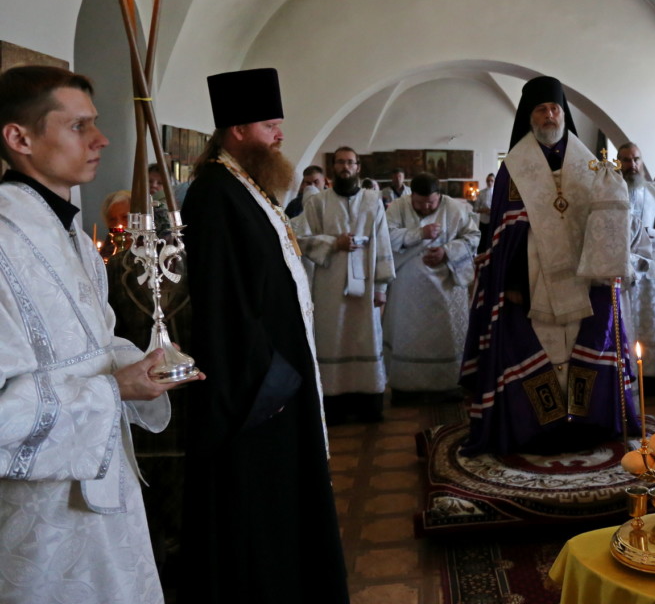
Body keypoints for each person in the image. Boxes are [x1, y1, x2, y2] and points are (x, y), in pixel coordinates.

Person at [0, 65, 195, 603]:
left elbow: (96, 346)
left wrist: (149, 363)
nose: (101, 140)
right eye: (79, 126)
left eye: (97, 124)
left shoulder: (73, 236)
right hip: (38, 520)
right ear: (19, 138)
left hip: (106, 490)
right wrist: (115, 390)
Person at [181, 68, 348, 603]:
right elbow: (224, 302)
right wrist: (267, 380)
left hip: (281, 373)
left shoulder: (246, 184)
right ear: (236, 130)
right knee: (261, 506)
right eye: (269, 125)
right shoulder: (214, 192)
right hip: (258, 390)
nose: (279, 135)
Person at [460, 76, 637, 455]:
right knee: (537, 350)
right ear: (530, 116)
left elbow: (608, 219)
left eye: (555, 107)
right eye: (541, 109)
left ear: (563, 113)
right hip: (530, 279)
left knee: (581, 350)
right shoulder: (514, 166)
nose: (550, 114)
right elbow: (503, 234)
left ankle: (589, 425)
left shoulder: (590, 163)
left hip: (584, 277)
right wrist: (510, 281)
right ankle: (537, 431)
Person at [295, 146, 394, 424]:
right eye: (340, 162)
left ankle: (369, 405)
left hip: (366, 284)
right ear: (333, 168)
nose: (345, 167)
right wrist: (333, 243)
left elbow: (383, 242)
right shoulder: (317, 203)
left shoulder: (373, 201)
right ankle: (335, 406)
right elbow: (300, 240)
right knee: (333, 339)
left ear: (358, 167)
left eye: (350, 162)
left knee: (366, 336)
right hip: (329, 287)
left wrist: (382, 288)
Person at [384, 172, 479, 400]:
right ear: (411, 196)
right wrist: (419, 233)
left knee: (445, 335)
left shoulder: (455, 209)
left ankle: (448, 384)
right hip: (408, 289)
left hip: (446, 286)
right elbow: (384, 236)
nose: (425, 208)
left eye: (431, 203)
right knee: (408, 334)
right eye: (419, 203)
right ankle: (405, 386)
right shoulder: (397, 207)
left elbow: (473, 236)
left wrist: (447, 251)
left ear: (440, 196)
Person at [618, 142, 655, 393]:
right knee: (625, 319)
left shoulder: (653, 192)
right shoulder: (611, 190)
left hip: (649, 267)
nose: (632, 165)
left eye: (636, 159)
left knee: (650, 318)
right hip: (621, 265)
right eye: (627, 160)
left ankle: (650, 374)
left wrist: (652, 235)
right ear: (618, 162)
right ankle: (624, 373)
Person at [473, 172, 496, 253]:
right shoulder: (481, 193)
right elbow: (475, 208)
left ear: (494, 182)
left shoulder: (497, 193)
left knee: (492, 241)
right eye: (488, 181)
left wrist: (492, 211)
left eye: (492, 181)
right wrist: (484, 210)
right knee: (482, 242)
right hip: (483, 221)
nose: (490, 182)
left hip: (493, 221)